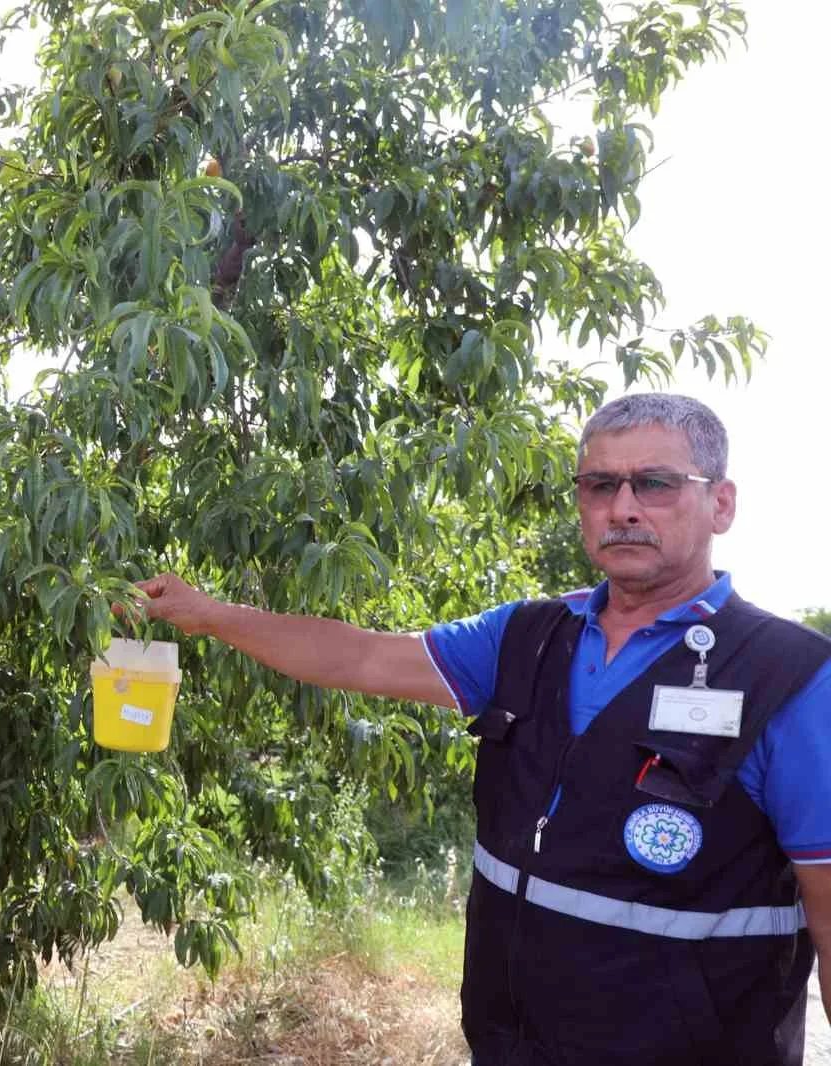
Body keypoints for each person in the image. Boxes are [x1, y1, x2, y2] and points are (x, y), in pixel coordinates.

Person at [133, 393, 831, 1066]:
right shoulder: (525, 636)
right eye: (599, 484)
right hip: (510, 1046)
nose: (622, 508)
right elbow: (361, 653)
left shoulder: (789, 676)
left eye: (655, 483)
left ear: (722, 504)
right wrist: (206, 614)